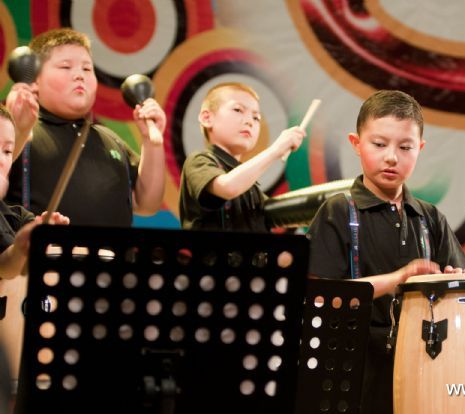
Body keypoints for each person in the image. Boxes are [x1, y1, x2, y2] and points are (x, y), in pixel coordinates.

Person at [307, 90, 465, 413]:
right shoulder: (338, 211)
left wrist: (456, 284)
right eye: (379, 145)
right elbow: (318, 297)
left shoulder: (429, 217)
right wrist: (397, 279)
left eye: (405, 147)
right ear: (356, 144)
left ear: (420, 149)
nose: (392, 157)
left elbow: (462, 287)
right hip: (348, 371)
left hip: (423, 368)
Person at [5, 27, 166, 227]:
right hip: (39, 255)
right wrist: (18, 131)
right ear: (34, 78)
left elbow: (147, 204)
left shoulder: (111, 139)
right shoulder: (15, 129)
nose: (79, 75)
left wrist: (153, 143)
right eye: (65, 67)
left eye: (87, 69)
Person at [179, 82, 305, 231]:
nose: (249, 121)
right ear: (207, 118)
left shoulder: (250, 188)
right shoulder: (199, 160)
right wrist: (275, 150)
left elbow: (283, 215)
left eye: (256, 118)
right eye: (238, 110)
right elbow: (227, 187)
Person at [0, 105, 68, 279]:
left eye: (7, 151)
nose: (2, 160)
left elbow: (10, 267)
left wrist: (42, 235)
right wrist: (17, 251)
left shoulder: (17, 218)